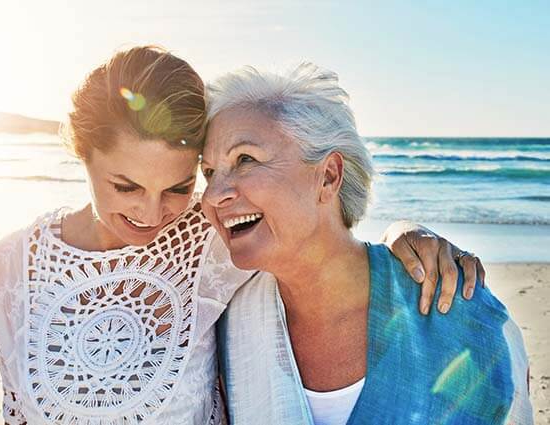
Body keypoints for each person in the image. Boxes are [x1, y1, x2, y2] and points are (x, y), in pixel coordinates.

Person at [0, 46, 483, 424]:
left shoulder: (210, 242)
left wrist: (406, 234)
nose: (151, 213)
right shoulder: (11, 265)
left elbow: (316, 235)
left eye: (180, 186)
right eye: (125, 186)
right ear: (82, 154)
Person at [202, 63, 534, 424]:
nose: (215, 194)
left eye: (246, 159)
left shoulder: (462, 314)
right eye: (208, 173)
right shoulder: (227, 319)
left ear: (328, 177)